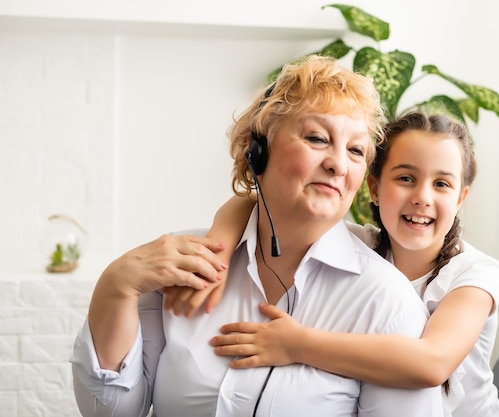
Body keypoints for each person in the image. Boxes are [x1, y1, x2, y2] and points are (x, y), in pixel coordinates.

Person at [69, 55, 443, 417]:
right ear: (257, 150)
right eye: (316, 138)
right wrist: (115, 286)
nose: (337, 164)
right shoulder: (181, 266)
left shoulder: (386, 303)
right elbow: (111, 412)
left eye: (356, 150)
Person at [166, 111, 499, 416]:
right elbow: (255, 202)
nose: (422, 196)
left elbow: (432, 363)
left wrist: (296, 345)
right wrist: (217, 255)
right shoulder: (361, 248)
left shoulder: (474, 273)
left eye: (441, 184)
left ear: (461, 197)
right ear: (373, 189)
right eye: (405, 178)